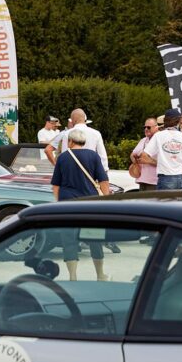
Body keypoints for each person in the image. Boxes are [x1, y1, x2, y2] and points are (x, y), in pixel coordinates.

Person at [50, 129, 111, 282]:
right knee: (94, 238)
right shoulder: (93, 156)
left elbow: (56, 185)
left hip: (67, 204)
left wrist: (58, 203)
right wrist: (107, 201)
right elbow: (103, 181)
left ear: (70, 141)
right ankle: (100, 275)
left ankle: (72, 277)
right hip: (90, 204)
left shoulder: (63, 157)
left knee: (69, 239)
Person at [139, 109, 182, 190]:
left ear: (165, 121)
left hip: (165, 178)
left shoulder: (158, 136)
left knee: (165, 199)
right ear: (178, 121)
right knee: (181, 199)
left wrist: (157, 162)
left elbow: (144, 155)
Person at [45, 108, 108, 173]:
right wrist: (104, 171)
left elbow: (65, 155)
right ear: (84, 120)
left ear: (73, 120)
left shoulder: (67, 133)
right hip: (91, 170)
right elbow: (102, 156)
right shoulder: (96, 133)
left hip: (72, 171)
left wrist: (61, 171)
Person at [130, 116, 160, 191]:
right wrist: (136, 159)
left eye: (148, 127)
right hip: (142, 180)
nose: (146, 129)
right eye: (145, 127)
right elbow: (132, 155)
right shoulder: (143, 140)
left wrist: (149, 161)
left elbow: (165, 163)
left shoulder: (160, 140)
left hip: (154, 182)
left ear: (156, 127)